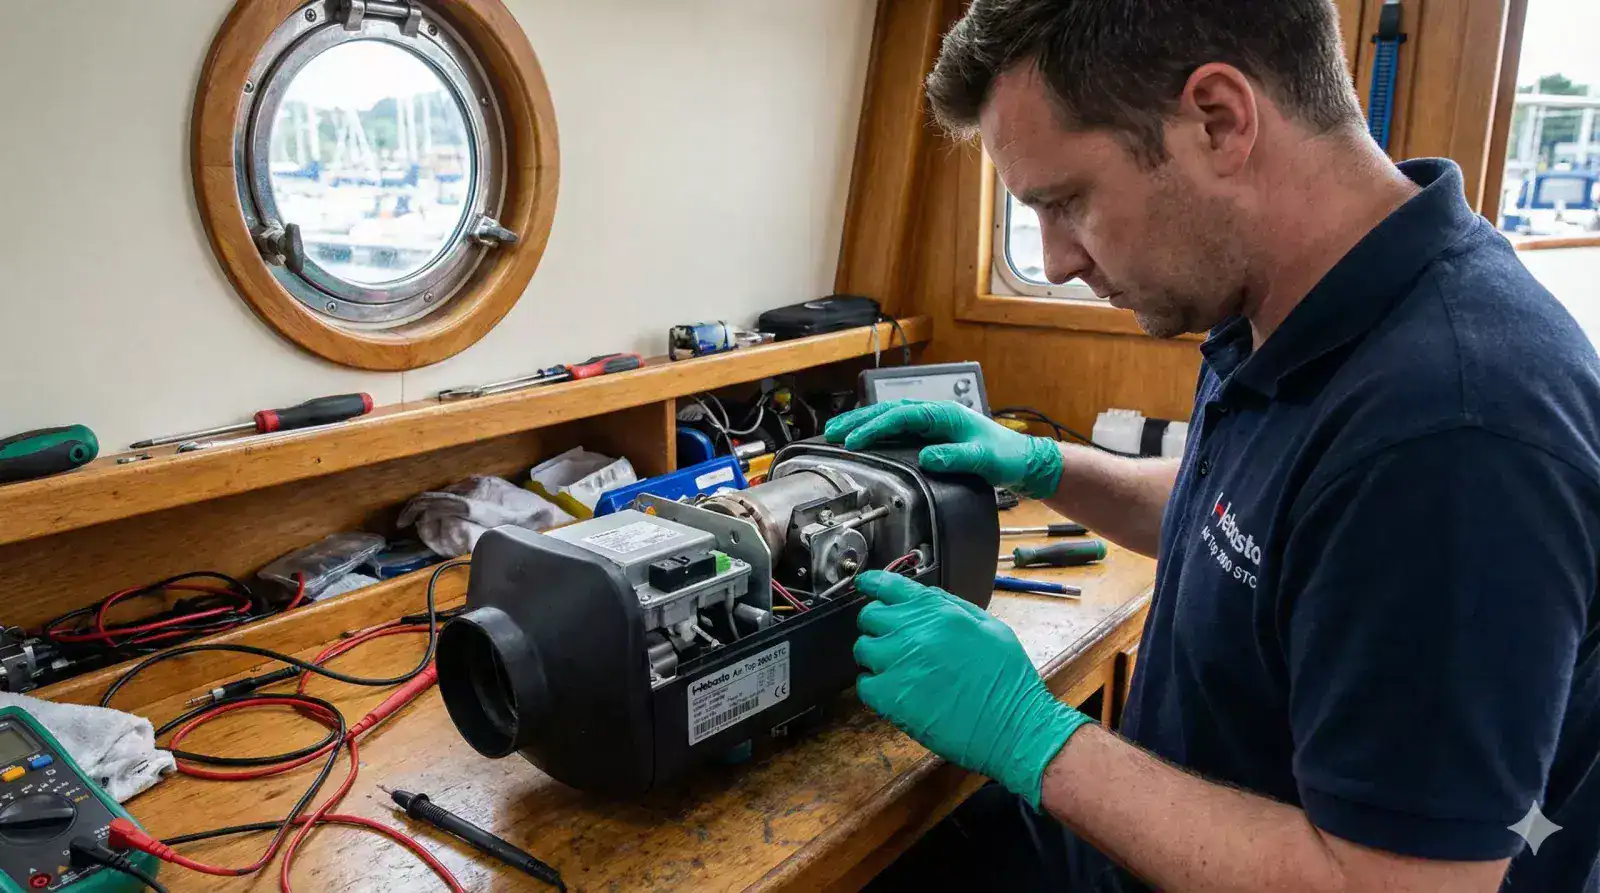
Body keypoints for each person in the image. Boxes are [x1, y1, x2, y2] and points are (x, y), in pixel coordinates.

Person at [827, 1, 1600, 891]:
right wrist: (1044, 465)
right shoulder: (1283, 303)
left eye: (1067, 201)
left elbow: (1397, 886)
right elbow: (1256, 532)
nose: (1056, 259)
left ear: (1219, 121)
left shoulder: (1454, 435)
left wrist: (1028, 732)